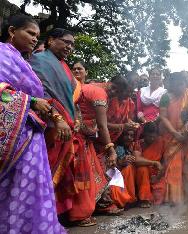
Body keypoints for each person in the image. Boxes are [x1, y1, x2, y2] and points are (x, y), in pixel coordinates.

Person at [0, 14, 66, 233]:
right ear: (12, 31)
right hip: (12, 136)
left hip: (30, 133)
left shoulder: (22, 61)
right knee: (14, 188)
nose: (34, 39)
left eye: (37, 36)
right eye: (30, 33)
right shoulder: (2, 54)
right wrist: (31, 101)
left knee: (31, 188)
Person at [29, 28, 78, 217]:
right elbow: (40, 92)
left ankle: (53, 217)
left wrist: (76, 118)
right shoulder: (39, 60)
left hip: (66, 124)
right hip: (50, 125)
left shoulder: (63, 65)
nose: (70, 47)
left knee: (58, 174)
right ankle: (39, 217)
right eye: (66, 42)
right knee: (45, 173)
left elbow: (70, 98)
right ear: (50, 40)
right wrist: (57, 118)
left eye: (72, 44)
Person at [72, 61, 123, 224]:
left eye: (80, 68)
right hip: (76, 139)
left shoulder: (87, 88)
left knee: (94, 174)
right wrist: (111, 149)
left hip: (83, 138)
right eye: (74, 68)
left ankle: (99, 205)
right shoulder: (98, 92)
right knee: (84, 176)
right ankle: (79, 214)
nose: (76, 70)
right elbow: (102, 125)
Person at [159, 72, 188, 204]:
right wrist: (175, 133)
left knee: (186, 165)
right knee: (174, 165)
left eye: (182, 83)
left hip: (186, 136)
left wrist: (186, 131)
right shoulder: (166, 97)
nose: (180, 87)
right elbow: (163, 117)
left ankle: (187, 195)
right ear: (171, 84)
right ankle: (173, 198)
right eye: (177, 84)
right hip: (170, 136)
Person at [113, 129, 162, 208]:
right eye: (126, 135)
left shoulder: (134, 145)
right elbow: (110, 169)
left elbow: (137, 161)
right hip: (119, 179)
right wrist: (120, 163)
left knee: (142, 169)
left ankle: (143, 198)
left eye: (131, 136)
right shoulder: (115, 148)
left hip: (135, 178)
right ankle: (128, 199)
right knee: (129, 168)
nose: (129, 138)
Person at [135, 122, 166, 207]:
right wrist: (154, 162)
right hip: (142, 175)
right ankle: (144, 199)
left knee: (160, 196)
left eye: (154, 136)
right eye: (149, 136)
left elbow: (164, 163)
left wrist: (157, 177)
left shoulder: (161, 142)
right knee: (142, 169)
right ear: (144, 134)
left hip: (157, 175)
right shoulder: (139, 144)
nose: (152, 139)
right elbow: (137, 160)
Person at [104, 75, 139, 143]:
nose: (129, 94)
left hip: (114, 138)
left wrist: (132, 124)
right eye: (127, 91)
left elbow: (127, 119)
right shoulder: (109, 98)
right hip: (101, 135)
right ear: (121, 88)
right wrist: (122, 126)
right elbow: (100, 123)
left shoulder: (131, 103)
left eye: (131, 92)